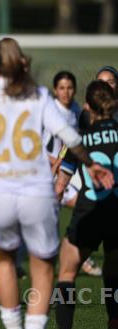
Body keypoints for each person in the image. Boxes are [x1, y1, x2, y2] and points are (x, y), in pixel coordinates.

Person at [0, 38, 114, 329]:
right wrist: (90, 163)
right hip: (37, 192)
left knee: (4, 262)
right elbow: (69, 135)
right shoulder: (39, 95)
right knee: (42, 266)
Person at [54, 80, 118, 329]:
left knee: (67, 274)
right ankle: (114, 321)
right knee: (114, 272)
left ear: (88, 106)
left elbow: (60, 187)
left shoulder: (80, 140)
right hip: (117, 214)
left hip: (88, 214)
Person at [47, 70, 102, 276]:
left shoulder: (77, 111)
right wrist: (54, 161)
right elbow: (37, 145)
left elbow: (69, 145)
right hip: (45, 172)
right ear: (55, 90)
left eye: (70, 88)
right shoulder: (49, 110)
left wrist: (63, 160)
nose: (66, 92)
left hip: (62, 170)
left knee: (81, 208)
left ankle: (80, 258)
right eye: (62, 88)